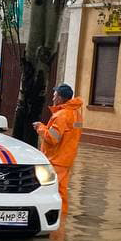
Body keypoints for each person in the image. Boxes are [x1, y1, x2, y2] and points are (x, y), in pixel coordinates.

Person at [33, 83, 84, 221]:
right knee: (61, 190)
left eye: (55, 95)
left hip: (56, 159)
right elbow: (74, 134)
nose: (53, 97)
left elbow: (52, 139)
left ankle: (55, 218)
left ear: (60, 98)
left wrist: (40, 127)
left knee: (50, 189)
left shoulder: (61, 115)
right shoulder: (77, 115)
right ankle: (62, 220)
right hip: (67, 159)